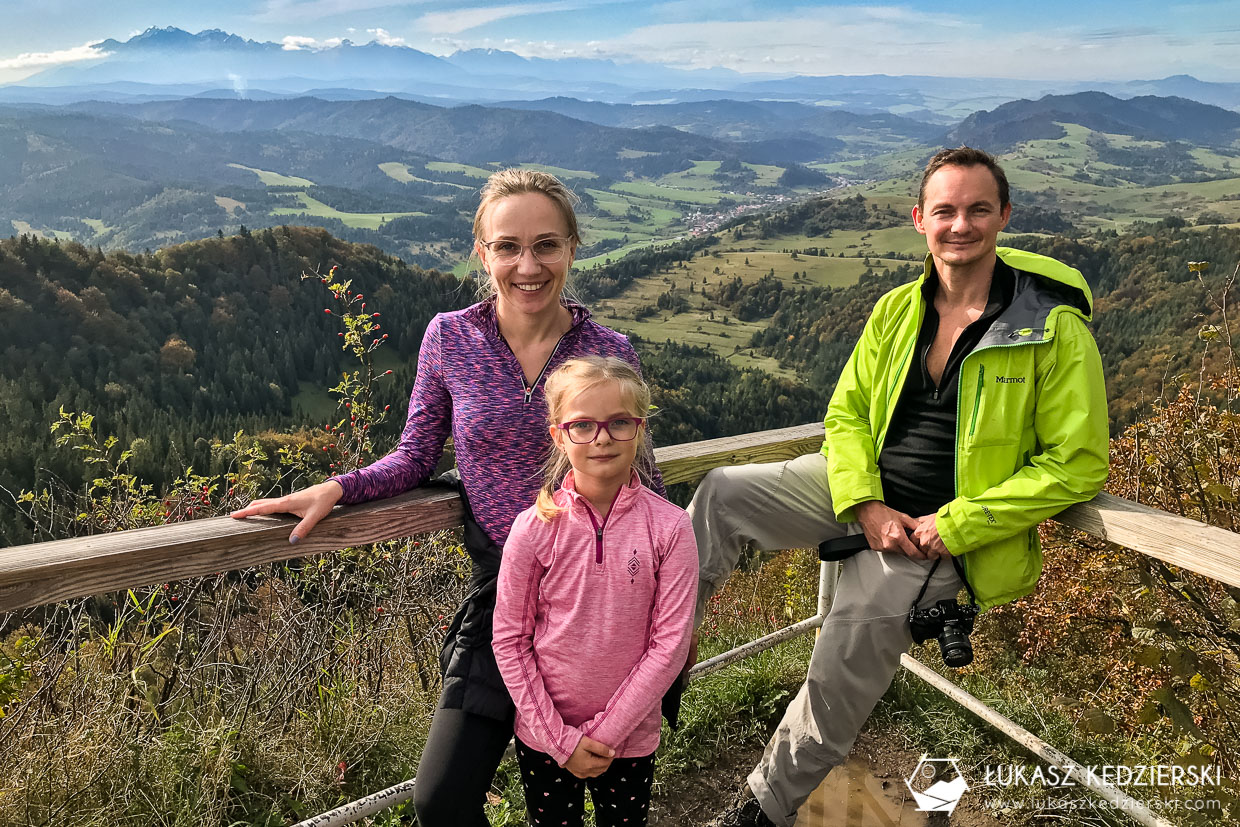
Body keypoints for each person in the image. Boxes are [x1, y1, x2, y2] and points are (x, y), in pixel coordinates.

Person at [231, 169, 664, 827]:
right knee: (443, 800)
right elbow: (414, 456)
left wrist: (670, 611)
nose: (528, 264)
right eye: (508, 246)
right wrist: (339, 486)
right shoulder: (450, 339)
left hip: (604, 602)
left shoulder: (608, 349)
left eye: (546, 245)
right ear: (481, 252)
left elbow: (644, 484)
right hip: (507, 600)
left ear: (573, 248)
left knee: (596, 802)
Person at [694, 146, 1110, 827]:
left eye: (979, 209)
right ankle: (662, 653)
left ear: (1004, 216)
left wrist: (957, 526)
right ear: (920, 219)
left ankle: (755, 814)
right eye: (945, 210)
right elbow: (846, 414)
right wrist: (864, 501)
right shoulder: (896, 310)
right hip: (861, 491)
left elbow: (1078, 463)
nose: (961, 224)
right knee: (719, 491)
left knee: (832, 686)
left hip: (930, 535)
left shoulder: (1053, 329)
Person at [492, 356, 697, 827]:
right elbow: (510, 640)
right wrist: (560, 740)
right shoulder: (534, 528)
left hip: (629, 737)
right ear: (558, 434)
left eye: (620, 422)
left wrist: (605, 735)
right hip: (545, 737)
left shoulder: (670, 528)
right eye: (582, 424)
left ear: (640, 429)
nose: (602, 437)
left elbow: (669, 645)